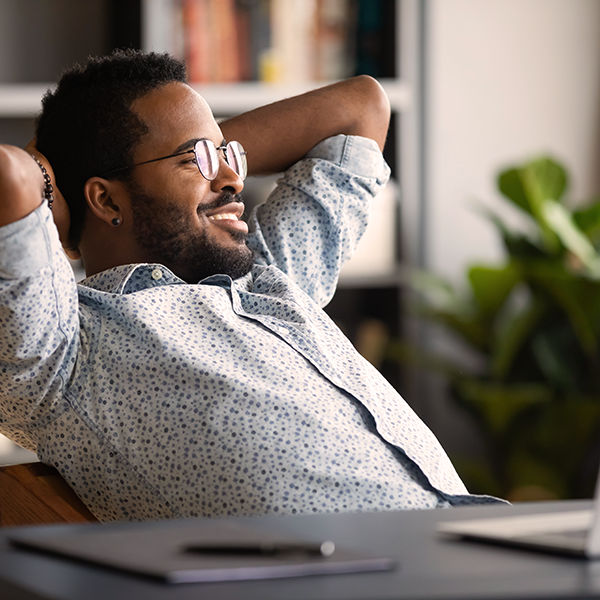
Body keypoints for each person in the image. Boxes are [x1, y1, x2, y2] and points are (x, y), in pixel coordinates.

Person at [0, 50, 501, 522]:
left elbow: (360, 107)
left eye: (229, 156)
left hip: (484, 544)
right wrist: (56, 178)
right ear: (106, 202)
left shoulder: (267, 275)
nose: (234, 180)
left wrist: (202, 155)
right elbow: (7, 176)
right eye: (192, 158)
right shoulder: (62, 352)